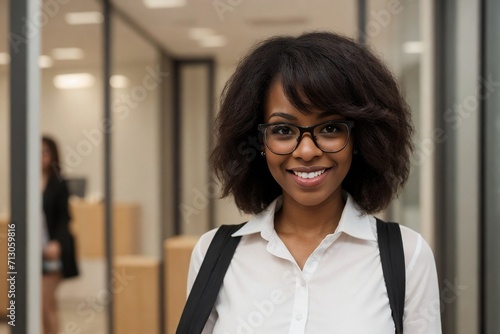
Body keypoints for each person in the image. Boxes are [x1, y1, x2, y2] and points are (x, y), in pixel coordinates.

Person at [187, 32, 441, 333]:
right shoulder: (213, 254)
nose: (307, 151)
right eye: (283, 130)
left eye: (331, 127)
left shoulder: (406, 255)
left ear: (360, 138)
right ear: (258, 142)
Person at [41, 136, 79, 334]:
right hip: (35, 251)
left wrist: (56, 243)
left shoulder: (58, 183)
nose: (41, 157)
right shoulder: (28, 182)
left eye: (45, 152)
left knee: (44, 303)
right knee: (45, 305)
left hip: (53, 250)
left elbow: (64, 218)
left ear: (53, 155)